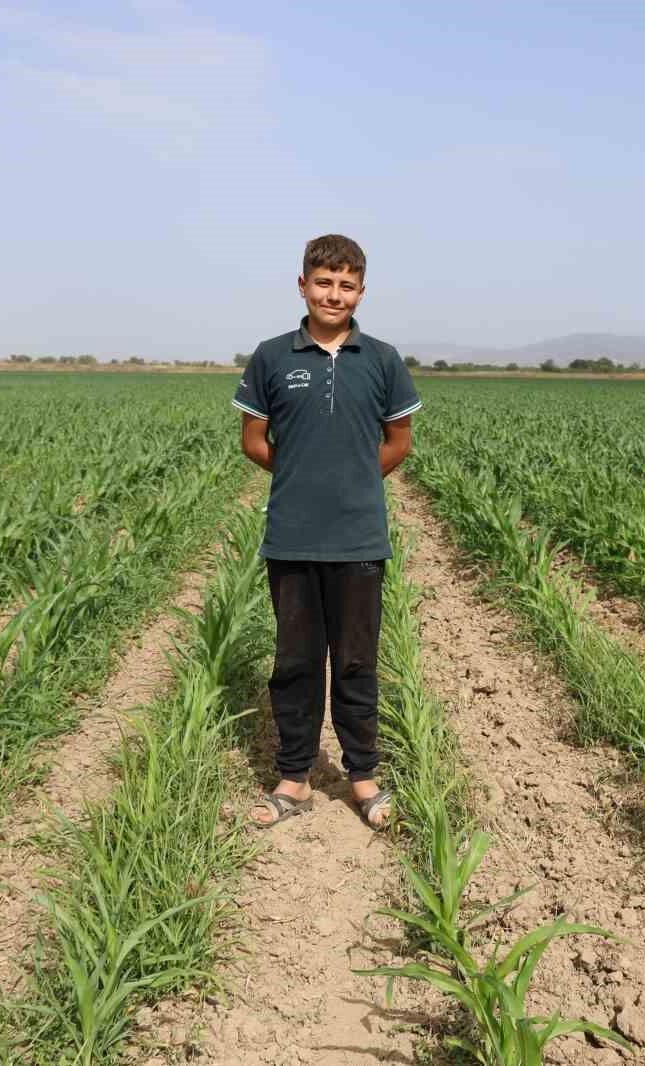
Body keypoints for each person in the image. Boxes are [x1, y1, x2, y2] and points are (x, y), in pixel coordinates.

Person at [232, 234, 421, 831]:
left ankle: (363, 775)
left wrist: (353, 484)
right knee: (295, 660)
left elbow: (397, 446)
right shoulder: (270, 357)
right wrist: (302, 479)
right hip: (291, 537)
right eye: (323, 282)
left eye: (346, 285)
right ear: (302, 285)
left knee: (358, 662)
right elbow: (254, 442)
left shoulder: (384, 359)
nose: (333, 294)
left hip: (360, 539)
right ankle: (294, 777)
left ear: (361, 292)